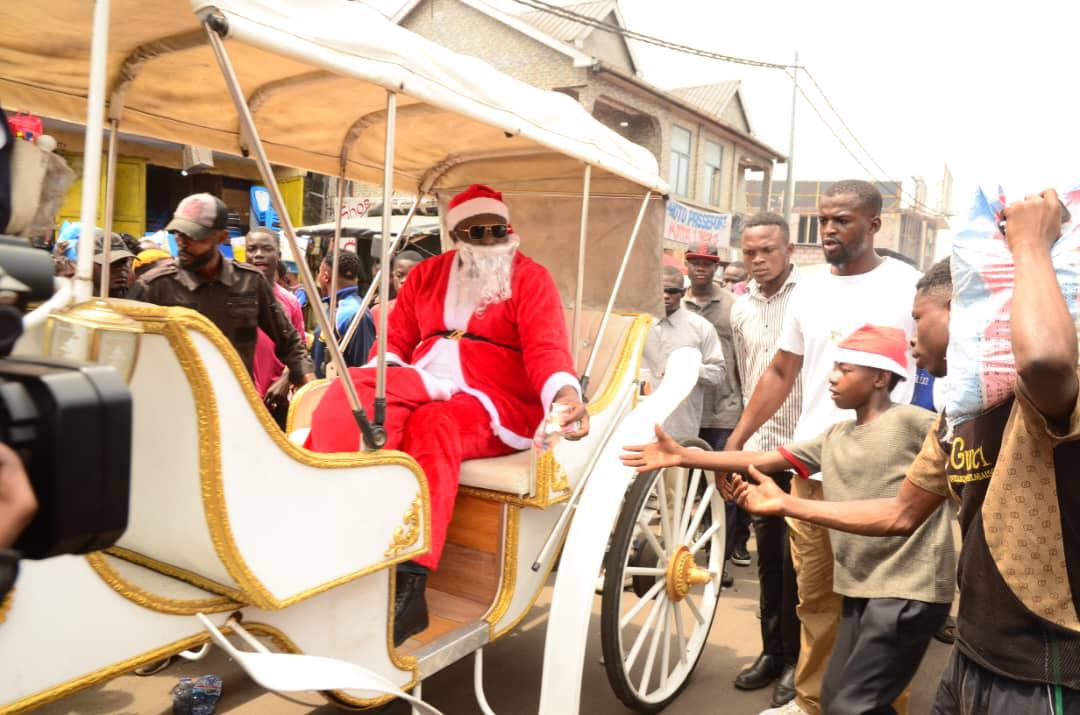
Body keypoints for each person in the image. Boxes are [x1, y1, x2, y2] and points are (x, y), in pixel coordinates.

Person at [733, 191, 1080, 713]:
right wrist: (786, 502)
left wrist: (1030, 244)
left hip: (1039, 669)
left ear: (964, 312)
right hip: (973, 651)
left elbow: (1046, 362)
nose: (910, 341)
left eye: (919, 320)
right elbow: (898, 514)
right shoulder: (953, 423)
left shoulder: (1035, 408)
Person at [305, 184, 588, 645]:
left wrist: (566, 394)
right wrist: (396, 372)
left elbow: (547, 348)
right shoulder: (426, 274)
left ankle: (412, 584)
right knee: (359, 408)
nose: (490, 240)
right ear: (455, 235)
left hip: (496, 399)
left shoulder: (531, 277)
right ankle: (348, 535)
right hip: (424, 379)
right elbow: (395, 342)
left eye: (499, 230)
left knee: (435, 424)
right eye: (477, 232)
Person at [623, 323, 955, 715]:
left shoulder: (913, 422)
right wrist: (684, 456)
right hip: (861, 585)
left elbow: (960, 454)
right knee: (838, 697)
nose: (832, 377)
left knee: (852, 705)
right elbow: (765, 459)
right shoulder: (834, 436)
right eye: (834, 367)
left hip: (908, 586)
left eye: (846, 369)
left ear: (880, 378)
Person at [722, 179, 923, 715]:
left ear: (874, 224)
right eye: (823, 219)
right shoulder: (808, 290)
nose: (828, 229)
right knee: (814, 599)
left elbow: (935, 366)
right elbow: (780, 371)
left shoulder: (907, 286)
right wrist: (738, 442)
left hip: (884, 477)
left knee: (881, 607)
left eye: (842, 220)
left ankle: (882, 707)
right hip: (813, 473)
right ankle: (811, 702)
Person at [129, 193, 314, 389]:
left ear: (221, 237)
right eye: (179, 234)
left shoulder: (250, 282)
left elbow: (289, 343)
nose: (183, 243)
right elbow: (128, 349)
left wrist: (310, 387)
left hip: (237, 399)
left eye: (193, 236)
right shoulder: (154, 286)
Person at [729, 212, 802, 707]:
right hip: (760, 451)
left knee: (802, 566)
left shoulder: (811, 299)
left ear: (789, 249)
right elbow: (746, 377)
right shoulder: (741, 309)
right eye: (750, 252)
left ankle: (799, 659)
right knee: (769, 561)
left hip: (805, 450)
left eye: (767, 250)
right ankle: (772, 653)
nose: (758, 260)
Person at [682, 245, 751, 576]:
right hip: (684, 410)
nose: (700, 268)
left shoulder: (733, 307)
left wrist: (746, 405)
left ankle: (719, 559)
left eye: (707, 264)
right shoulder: (674, 301)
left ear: (716, 269)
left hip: (724, 409)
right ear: (687, 265)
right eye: (695, 262)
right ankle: (683, 555)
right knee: (686, 487)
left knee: (723, 486)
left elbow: (744, 357)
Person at [245, 228, 306, 425]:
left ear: (278, 255)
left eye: (266, 248)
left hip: (275, 403)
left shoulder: (291, 302)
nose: (258, 254)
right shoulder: (231, 296)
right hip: (240, 400)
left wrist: (286, 380)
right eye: (252, 249)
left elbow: (300, 351)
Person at [311, 250, 375, 379]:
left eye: (319, 272)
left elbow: (362, 369)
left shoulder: (355, 314)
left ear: (325, 276)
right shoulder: (335, 307)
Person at [371, 249, 423, 329]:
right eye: (399, 275)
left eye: (412, 276)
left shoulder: (432, 313)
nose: (404, 280)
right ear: (393, 276)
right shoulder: (378, 312)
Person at [92, 231, 134, 298]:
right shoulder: (76, 298)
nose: (122, 269)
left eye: (125, 263)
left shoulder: (136, 293)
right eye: (113, 263)